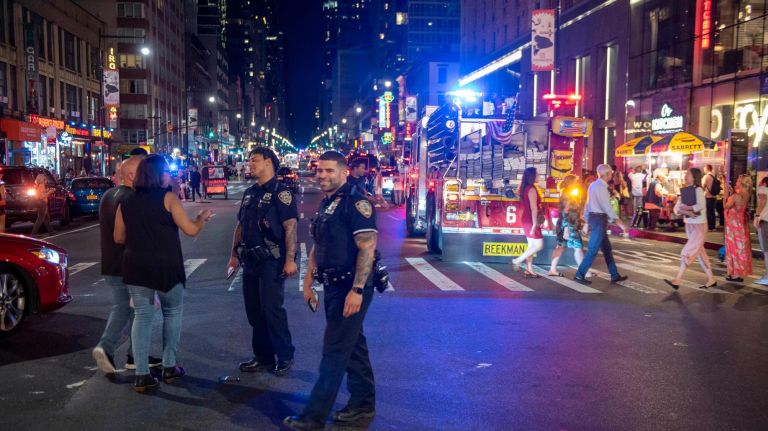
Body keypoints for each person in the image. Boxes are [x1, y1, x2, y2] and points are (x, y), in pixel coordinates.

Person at [284, 151, 377, 430]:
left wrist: (357, 290)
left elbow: (367, 248)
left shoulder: (356, 202)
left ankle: (313, 417)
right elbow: (318, 244)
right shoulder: (329, 203)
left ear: (344, 172)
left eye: (329, 171)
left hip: (351, 286)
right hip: (333, 285)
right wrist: (307, 280)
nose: (322, 175)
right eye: (319, 170)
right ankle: (363, 405)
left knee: (334, 351)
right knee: (353, 348)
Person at [114, 154, 213, 392]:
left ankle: (141, 374)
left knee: (142, 317)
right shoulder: (168, 198)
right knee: (172, 312)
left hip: (136, 264)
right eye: (167, 172)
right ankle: (169, 366)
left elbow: (118, 237)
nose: (170, 175)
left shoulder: (126, 202)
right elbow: (190, 230)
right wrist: (201, 219)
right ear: (158, 175)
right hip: (166, 264)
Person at [226, 147, 298, 377]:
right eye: (249, 159)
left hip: (271, 261)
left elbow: (290, 227)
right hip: (250, 260)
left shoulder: (281, 192)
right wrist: (233, 255)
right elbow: (240, 225)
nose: (250, 163)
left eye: (254, 160)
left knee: (271, 310)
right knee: (254, 312)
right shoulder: (249, 192)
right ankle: (263, 357)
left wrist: (290, 260)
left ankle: (285, 356)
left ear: (269, 162)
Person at [92, 155, 163, 374]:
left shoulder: (107, 196)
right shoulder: (133, 198)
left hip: (111, 263)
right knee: (134, 310)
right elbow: (136, 237)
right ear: (132, 175)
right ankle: (106, 346)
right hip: (131, 266)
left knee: (129, 309)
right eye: (143, 172)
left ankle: (135, 355)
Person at [574, 164, 629, 285]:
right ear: (607, 174)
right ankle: (580, 274)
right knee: (593, 249)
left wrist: (587, 221)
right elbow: (607, 207)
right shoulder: (601, 187)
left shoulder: (593, 185)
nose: (612, 175)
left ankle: (614, 275)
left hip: (595, 218)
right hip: (599, 219)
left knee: (607, 249)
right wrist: (620, 223)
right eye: (611, 173)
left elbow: (588, 205)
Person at [663, 168, 717, 290]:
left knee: (688, 251)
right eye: (686, 174)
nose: (685, 176)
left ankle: (677, 279)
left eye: (688, 174)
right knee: (699, 253)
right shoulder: (684, 191)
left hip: (699, 225)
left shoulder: (698, 190)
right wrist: (685, 210)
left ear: (694, 177)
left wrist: (687, 209)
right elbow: (676, 209)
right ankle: (711, 279)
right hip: (689, 225)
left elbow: (701, 206)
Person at [547, 175, 592, 277]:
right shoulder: (567, 195)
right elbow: (565, 212)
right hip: (569, 225)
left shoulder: (568, 194)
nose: (577, 183)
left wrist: (583, 222)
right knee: (577, 247)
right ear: (571, 183)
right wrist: (567, 229)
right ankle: (584, 271)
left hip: (566, 225)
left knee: (560, 247)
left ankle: (552, 269)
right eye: (576, 182)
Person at [511, 167, 544, 278]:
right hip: (531, 219)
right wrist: (535, 224)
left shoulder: (525, 188)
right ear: (532, 176)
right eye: (537, 174)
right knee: (539, 245)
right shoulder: (532, 189)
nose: (539, 176)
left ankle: (529, 270)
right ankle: (517, 260)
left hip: (527, 218)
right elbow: (534, 208)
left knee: (531, 246)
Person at [723, 174, 753, 282]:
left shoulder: (736, 196)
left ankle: (734, 274)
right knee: (740, 249)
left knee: (733, 249)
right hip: (741, 225)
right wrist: (731, 193)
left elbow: (725, 205)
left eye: (738, 181)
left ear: (742, 183)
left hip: (733, 226)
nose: (736, 182)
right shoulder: (746, 195)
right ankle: (739, 274)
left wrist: (726, 194)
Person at [753, 177, 768, 285]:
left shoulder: (762, 189)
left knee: (766, 251)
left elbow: (763, 200)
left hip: (764, 221)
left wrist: (757, 216)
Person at [702, 164, 720, 231]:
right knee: (712, 211)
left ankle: (710, 226)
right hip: (714, 196)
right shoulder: (714, 176)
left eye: (704, 168)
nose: (704, 170)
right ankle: (713, 226)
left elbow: (703, 186)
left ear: (707, 169)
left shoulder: (706, 176)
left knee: (708, 212)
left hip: (708, 196)